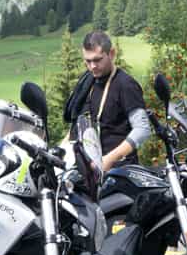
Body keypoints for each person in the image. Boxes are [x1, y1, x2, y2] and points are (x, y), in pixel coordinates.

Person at [63, 31, 150, 171]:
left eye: (97, 60)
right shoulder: (86, 83)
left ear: (112, 53)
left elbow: (142, 129)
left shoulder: (126, 85)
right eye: (88, 61)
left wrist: (108, 160)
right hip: (86, 172)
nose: (92, 66)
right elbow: (76, 125)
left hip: (119, 172)